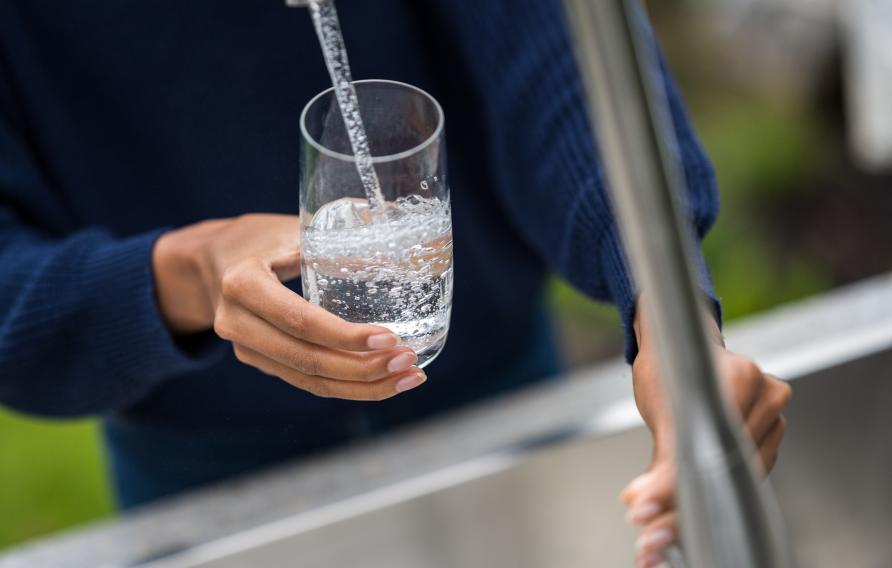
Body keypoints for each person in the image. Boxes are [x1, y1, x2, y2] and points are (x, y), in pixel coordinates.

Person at [0, 1, 790, 566]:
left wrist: (670, 319)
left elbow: (563, 57)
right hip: (201, 473)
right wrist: (187, 271)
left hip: (501, 399)